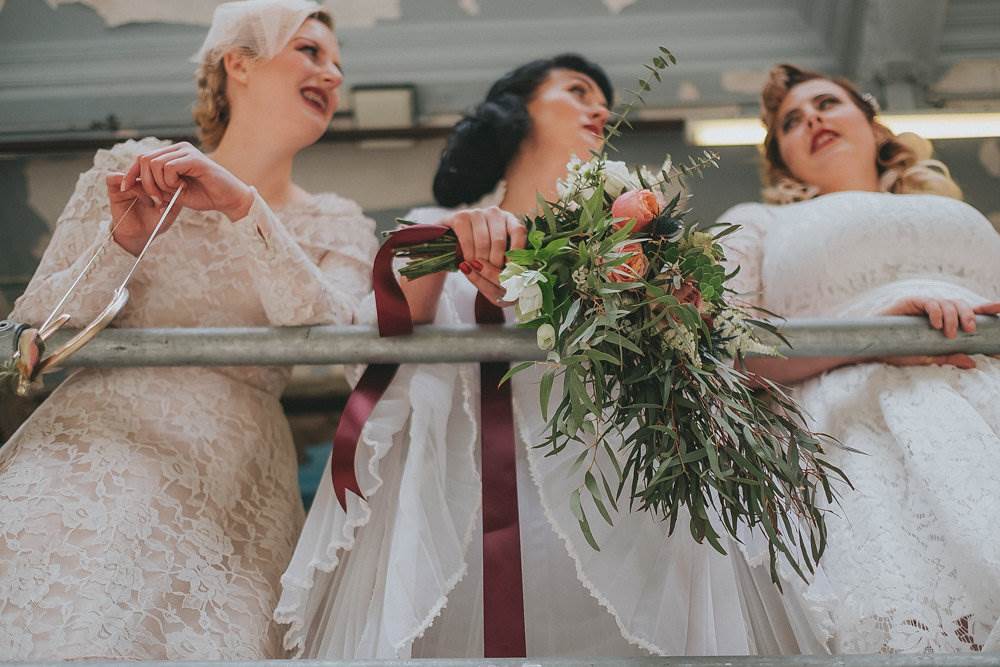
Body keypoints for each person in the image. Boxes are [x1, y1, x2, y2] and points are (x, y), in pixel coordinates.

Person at [276, 53, 799, 659]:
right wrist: (454, 248)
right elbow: (381, 334)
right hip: (463, 503)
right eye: (577, 91)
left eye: (603, 98)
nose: (600, 107)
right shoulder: (436, 226)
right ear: (516, 110)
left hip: (612, 501)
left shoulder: (635, 248)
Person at [0, 0, 377, 659]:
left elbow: (339, 327)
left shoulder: (338, 220)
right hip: (95, 450)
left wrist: (243, 206)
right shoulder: (134, 169)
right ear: (239, 62)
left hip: (234, 474)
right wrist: (121, 241)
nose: (334, 74)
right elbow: (37, 331)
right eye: (311, 51)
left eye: (339, 64)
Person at [718, 63, 1000, 654]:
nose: (813, 119)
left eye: (826, 103)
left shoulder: (955, 209)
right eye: (792, 121)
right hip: (865, 425)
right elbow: (730, 352)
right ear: (784, 160)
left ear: (875, 129)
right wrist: (877, 331)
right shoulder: (763, 223)